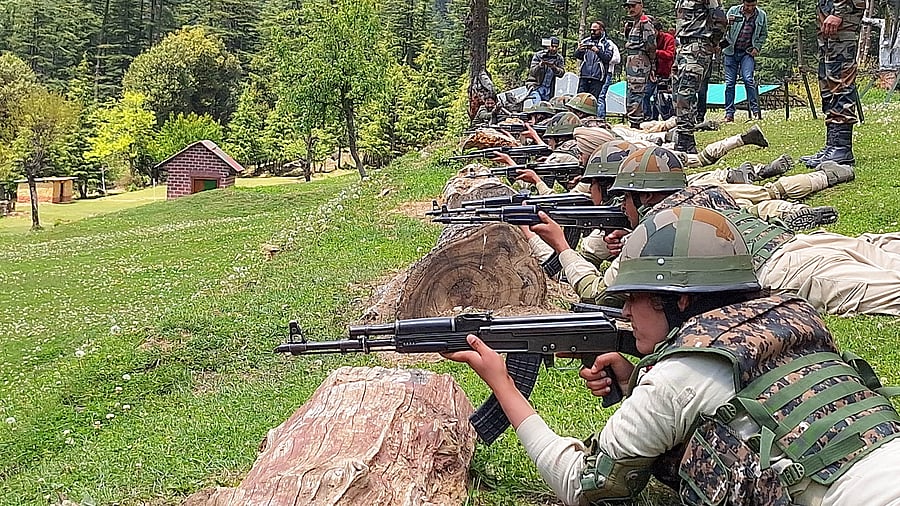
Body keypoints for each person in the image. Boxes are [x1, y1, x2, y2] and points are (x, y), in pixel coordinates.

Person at [444, 206, 900, 506]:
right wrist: (634, 380)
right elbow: (753, 399)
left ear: (678, 301)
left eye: (633, 298)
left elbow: (581, 485)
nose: (624, 312)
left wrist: (504, 385)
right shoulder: (794, 317)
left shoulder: (676, 378)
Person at [590, 147, 900, 317]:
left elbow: (599, 294)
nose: (622, 207)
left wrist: (566, 249)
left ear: (644, 197)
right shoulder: (706, 192)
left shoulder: (656, 228)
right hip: (805, 243)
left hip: (789, 270)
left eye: (624, 199)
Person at [800, 0, 864, 167]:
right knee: (827, 78)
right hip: (828, 10)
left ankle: (842, 148)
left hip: (843, 12)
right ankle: (832, 145)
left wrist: (839, 12)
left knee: (840, 77)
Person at [672, 0, 727, 154]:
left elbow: (721, 19)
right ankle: (683, 136)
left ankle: (686, 140)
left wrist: (713, 42)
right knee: (677, 94)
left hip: (697, 47)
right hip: (682, 47)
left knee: (686, 93)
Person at [723, 0, 768, 122]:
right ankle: (729, 114)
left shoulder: (761, 15)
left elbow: (763, 34)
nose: (750, 8)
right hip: (730, 51)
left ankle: (755, 111)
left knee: (748, 79)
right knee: (730, 83)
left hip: (747, 53)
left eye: (753, 5)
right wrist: (727, 23)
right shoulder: (733, 11)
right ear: (743, 3)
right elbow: (722, 29)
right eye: (748, 5)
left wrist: (757, 47)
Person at [575, 21, 620, 119]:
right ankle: (579, 119)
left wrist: (598, 51)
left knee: (594, 100)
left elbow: (608, 58)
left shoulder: (607, 43)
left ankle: (595, 119)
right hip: (584, 74)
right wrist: (579, 50)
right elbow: (577, 56)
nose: (592, 32)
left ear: (601, 30)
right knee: (580, 98)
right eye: (591, 30)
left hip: (598, 76)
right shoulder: (585, 41)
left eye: (595, 30)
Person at [622, 0, 656, 129]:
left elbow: (651, 45)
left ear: (641, 5)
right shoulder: (633, 24)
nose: (630, 9)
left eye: (633, 6)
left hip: (640, 60)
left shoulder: (645, 23)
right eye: (628, 7)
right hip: (633, 59)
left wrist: (652, 64)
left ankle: (636, 122)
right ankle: (634, 120)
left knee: (636, 91)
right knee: (632, 91)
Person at [644, 20, 676, 121]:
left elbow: (670, 55)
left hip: (664, 74)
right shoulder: (648, 39)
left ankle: (665, 118)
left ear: (659, 31)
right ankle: (648, 118)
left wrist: (656, 52)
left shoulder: (668, 38)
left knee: (660, 98)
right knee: (646, 94)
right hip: (651, 72)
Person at [527, 37, 566, 103]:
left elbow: (561, 73)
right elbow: (532, 72)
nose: (554, 49)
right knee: (537, 104)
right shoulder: (539, 55)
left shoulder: (559, 58)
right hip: (536, 86)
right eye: (552, 46)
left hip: (549, 89)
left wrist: (554, 68)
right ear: (548, 46)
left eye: (556, 47)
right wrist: (540, 65)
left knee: (546, 106)